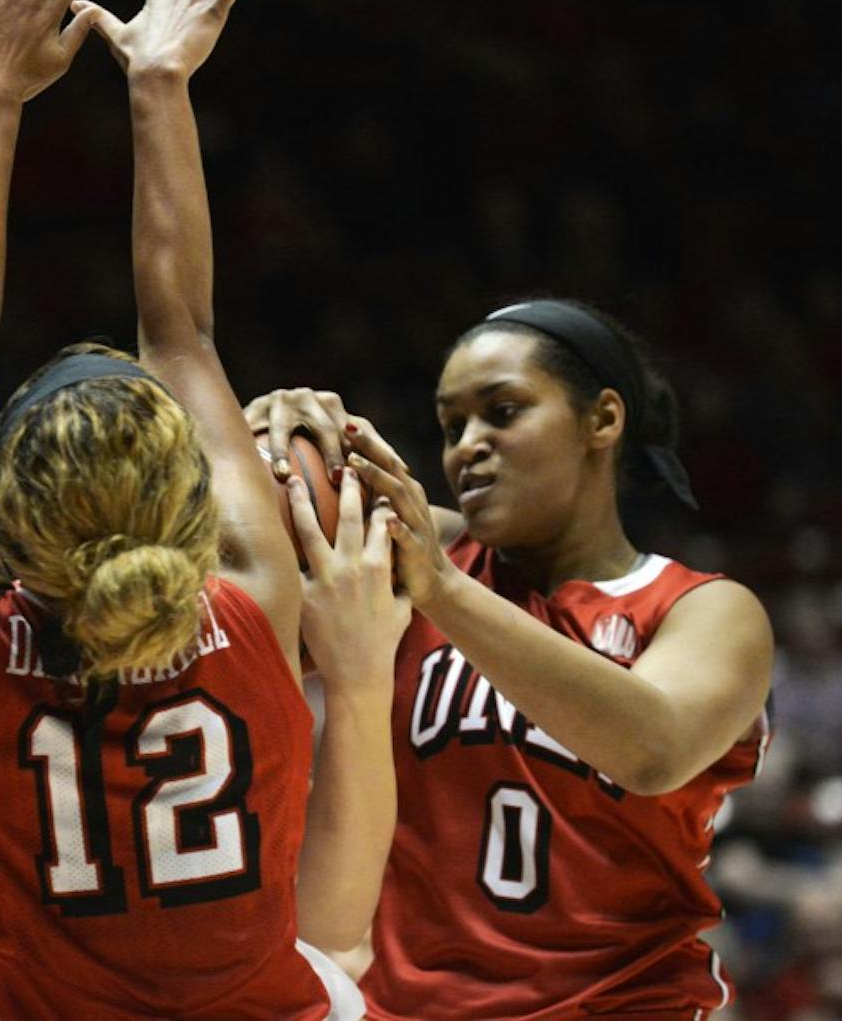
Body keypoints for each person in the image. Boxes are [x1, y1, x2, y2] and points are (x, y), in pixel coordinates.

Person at [0, 0, 401, 1017]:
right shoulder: (258, 602)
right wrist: (159, 85)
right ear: (197, 503)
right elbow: (186, 333)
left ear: (2, 522)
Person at [247, 298, 776, 1017]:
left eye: (502, 411)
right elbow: (235, 565)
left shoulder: (703, 609)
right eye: (451, 424)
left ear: (604, 420)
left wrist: (443, 587)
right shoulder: (417, 556)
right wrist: (270, 435)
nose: (468, 444)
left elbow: (654, 749)